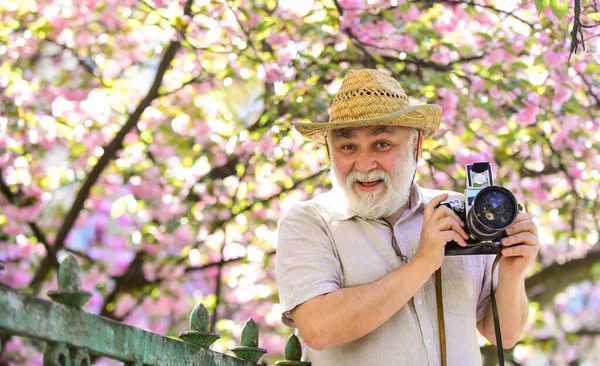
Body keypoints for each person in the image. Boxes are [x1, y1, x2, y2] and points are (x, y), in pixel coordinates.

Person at [275, 69, 540, 365]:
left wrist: (513, 274)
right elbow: (318, 328)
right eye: (348, 147)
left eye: (382, 144)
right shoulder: (310, 222)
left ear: (416, 146)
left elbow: (504, 334)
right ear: (330, 152)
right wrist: (423, 263)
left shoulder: (457, 213)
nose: (364, 163)